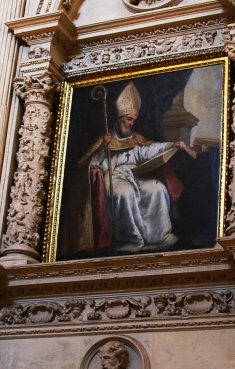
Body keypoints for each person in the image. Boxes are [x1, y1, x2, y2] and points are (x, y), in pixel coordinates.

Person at [77, 82, 194, 253]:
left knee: (157, 189)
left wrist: (172, 145)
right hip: (115, 177)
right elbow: (93, 164)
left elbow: (149, 150)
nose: (131, 123)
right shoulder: (106, 140)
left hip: (137, 175)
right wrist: (103, 148)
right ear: (119, 119)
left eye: (133, 120)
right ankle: (131, 240)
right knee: (124, 194)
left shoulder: (136, 139)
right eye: (129, 119)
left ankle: (159, 237)